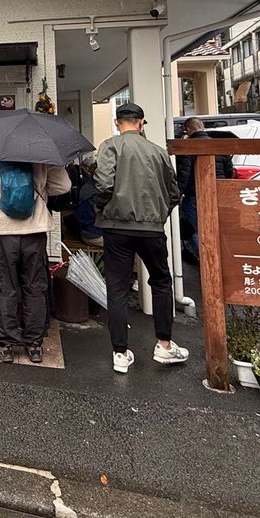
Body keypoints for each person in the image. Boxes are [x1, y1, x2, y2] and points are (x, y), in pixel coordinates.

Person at [92, 103, 188, 374]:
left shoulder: (111, 146)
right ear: (142, 123)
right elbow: (173, 193)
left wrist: (101, 207)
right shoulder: (158, 152)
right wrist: (158, 215)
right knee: (160, 281)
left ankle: (120, 353)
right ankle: (164, 344)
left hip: (116, 227)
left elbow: (103, 184)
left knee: (118, 288)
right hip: (152, 228)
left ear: (116, 122)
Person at [0, 151, 71, 364]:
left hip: (1, 232)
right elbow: (64, 185)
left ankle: (5, 344)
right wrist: (39, 190)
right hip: (35, 230)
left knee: (4, 287)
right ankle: (34, 345)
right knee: (34, 286)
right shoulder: (42, 152)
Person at [175, 116, 235, 265]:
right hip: (217, 193)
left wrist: (177, 194)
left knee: (198, 230)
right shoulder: (217, 146)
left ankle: (207, 262)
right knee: (215, 228)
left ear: (188, 130)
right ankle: (222, 261)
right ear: (202, 127)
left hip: (195, 194)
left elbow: (184, 174)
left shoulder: (189, 146)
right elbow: (229, 171)